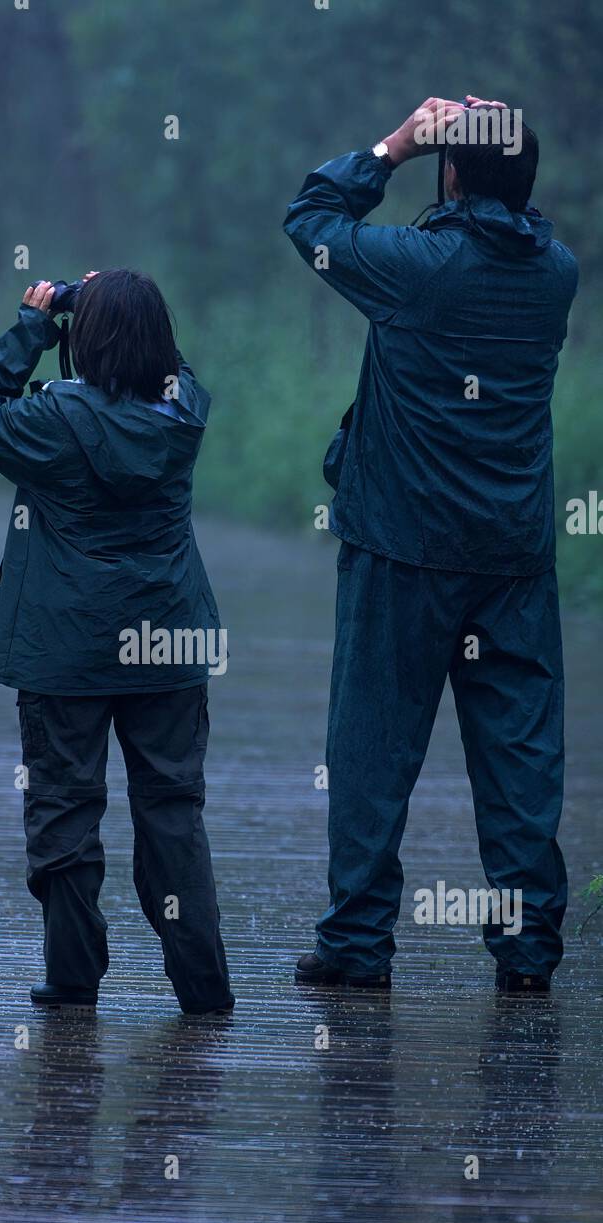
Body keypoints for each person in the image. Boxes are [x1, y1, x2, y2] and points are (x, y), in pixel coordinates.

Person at [284, 96, 578, 993]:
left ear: (450, 173)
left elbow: (311, 221)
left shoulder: (417, 266)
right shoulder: (556, 271)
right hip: (511, 556)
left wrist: (395, 143)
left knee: (374, 750)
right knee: (519, 757)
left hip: (401, 548)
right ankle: (525, 952)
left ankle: (357, 946)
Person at [0, 269, 234, 1015]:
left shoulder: (51, 422)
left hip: (65, 647)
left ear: (84, 338)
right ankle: (204, 987)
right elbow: (178, 372)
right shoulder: (185, 415)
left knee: (65, 807)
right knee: (173, 812)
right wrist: (116, 306)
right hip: (167, 641)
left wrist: (34, 325)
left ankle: (74, 978)